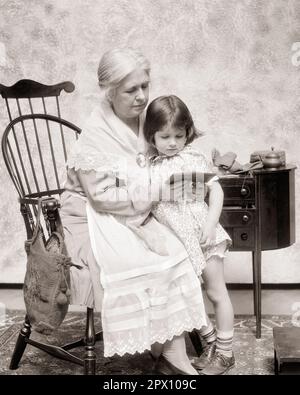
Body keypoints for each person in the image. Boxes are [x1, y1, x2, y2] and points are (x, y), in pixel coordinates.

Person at [60, 48, 207, 375]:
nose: (141, 96)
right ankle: (172, 354)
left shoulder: (146, 118)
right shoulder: (95, 135)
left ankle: (168, 348)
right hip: (91, 214)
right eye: (131, 90)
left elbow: (171, 147)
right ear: (109, 91)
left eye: (145, 85)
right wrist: (155, 192)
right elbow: (101, 197)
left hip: (138, 205)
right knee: (150, 259)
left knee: (178, 248)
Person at [143, 95, 235, 375]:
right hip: (176, 242)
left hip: (202, 235)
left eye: (179, 135)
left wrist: (210, 224)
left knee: (216, 292)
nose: (172, 143)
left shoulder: (192, 157)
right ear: (151, 136)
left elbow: (215, 191)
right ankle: (210, 344)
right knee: (187, 296)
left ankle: (226, 353)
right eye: (165, 136)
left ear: (188, 133)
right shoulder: (149, 165)